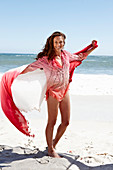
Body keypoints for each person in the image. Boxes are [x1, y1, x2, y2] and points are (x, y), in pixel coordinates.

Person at [21, 31, 98, 158]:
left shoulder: (66, 55)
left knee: (66, 122)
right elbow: (29, 68)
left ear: (64, 42)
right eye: (56, 42)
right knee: (52, 121)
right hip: (53, 92)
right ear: (52, 43)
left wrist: (92, 48)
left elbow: (80, 57)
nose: (59, 44)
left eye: (61, 42)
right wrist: (15, 76)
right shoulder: (45, 59)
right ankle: (50, 150)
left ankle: (53, 144)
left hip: (65, 90)